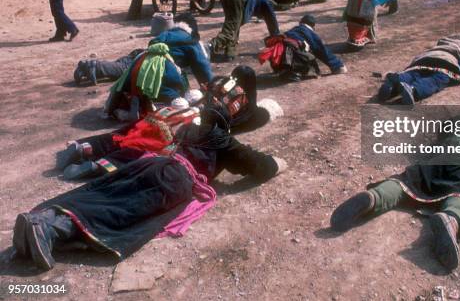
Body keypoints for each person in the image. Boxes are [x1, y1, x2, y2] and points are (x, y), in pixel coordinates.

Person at [14, 89, 287, 271]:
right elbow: (257, 165)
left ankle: (44, 220)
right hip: (174, 179)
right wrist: (279, 164)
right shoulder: (220, 139)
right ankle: (50, 230)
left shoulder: (189, 129)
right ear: (225, 125)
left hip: (149, 163)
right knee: (120, 212)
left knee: (104, 192)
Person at [330, 133, 460, 271]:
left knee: (407, 181)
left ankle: (374, 198)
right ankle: (451, 219)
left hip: (438, 156)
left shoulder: (449, 130)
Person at [105, 13, 213, 118]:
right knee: (178, 101)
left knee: (147, 91)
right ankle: (155, 108)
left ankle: (137, 105)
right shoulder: (190, 40)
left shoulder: (164, 35)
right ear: (192, 28)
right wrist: (212, 88)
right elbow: (202, 68)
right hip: (163, 70)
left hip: (140, 65)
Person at [378, 34, 460, 104]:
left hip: (424, 58)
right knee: (436, 79)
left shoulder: (443, 42)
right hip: (446, 63)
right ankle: (414, 90)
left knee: (415, 73)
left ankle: (394, 81)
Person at [259, 14, 347, 81]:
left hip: (279, 59)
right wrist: (337, 65)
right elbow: (321, 50)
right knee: (305, 51)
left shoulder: (292, 30)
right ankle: (295, 72)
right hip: (294, 57)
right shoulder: (308, 32)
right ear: (312, 26)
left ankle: (284, 71)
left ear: (301, 22)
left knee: (290, 47)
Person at [209, 0, 280, 62]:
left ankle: (230, 53)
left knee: (233, 25)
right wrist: (277, 38)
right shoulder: (267, 3)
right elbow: (272, 22)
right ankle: (208, 47)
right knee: (230, 30)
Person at [74, 49, 144, 86]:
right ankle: (92, 66)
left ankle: (87, 69)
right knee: (123, 69)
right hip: (136, 60)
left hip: (133, 58)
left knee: (118, 70)